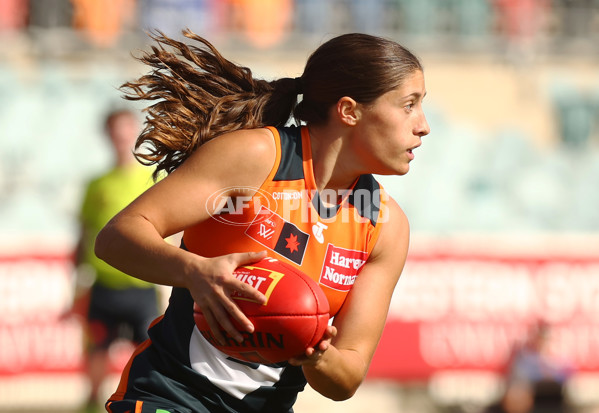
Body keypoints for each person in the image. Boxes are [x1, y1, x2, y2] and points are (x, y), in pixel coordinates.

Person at [94, 29, 430, 413]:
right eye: (409, 105)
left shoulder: (386, 226)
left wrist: (316, 352)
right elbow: (115, 237)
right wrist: (194, 271)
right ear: (349, 110)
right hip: (171, 392)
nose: (423, 125)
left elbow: (347, 377)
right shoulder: (256, 157)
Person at [75, 109, 160, 412]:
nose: (120, 136)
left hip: (142, 285)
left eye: (125, 129)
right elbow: (83, 233)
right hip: (104, 285)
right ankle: (91, 404)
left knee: (149, 352)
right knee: (96, 351)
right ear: (107, 135)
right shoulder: (96, 184)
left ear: (134, 131)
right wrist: (74, 282)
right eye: (114, 130)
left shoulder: (154, 179)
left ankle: (141, 403)